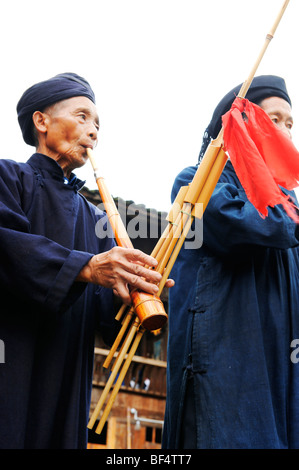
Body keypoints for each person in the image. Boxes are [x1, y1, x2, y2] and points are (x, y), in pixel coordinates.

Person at [0, 73, 165, 449]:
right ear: (41, 121)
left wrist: (130, 292)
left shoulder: (94, 218)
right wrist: (87, 268)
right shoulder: (8, 177)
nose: (93, 131)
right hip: (12, 356)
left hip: (68, 369)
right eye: (81, 116)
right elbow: (7, 248)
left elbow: (98, 307)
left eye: (97, 124)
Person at [162, 75, 299, 449]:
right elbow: (259, 227)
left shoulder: (290, 207)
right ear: (239, 124)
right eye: (273, 120)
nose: (285, 131)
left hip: (282, 362)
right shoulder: (197, 183)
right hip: (225, 359)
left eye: (290, 123)